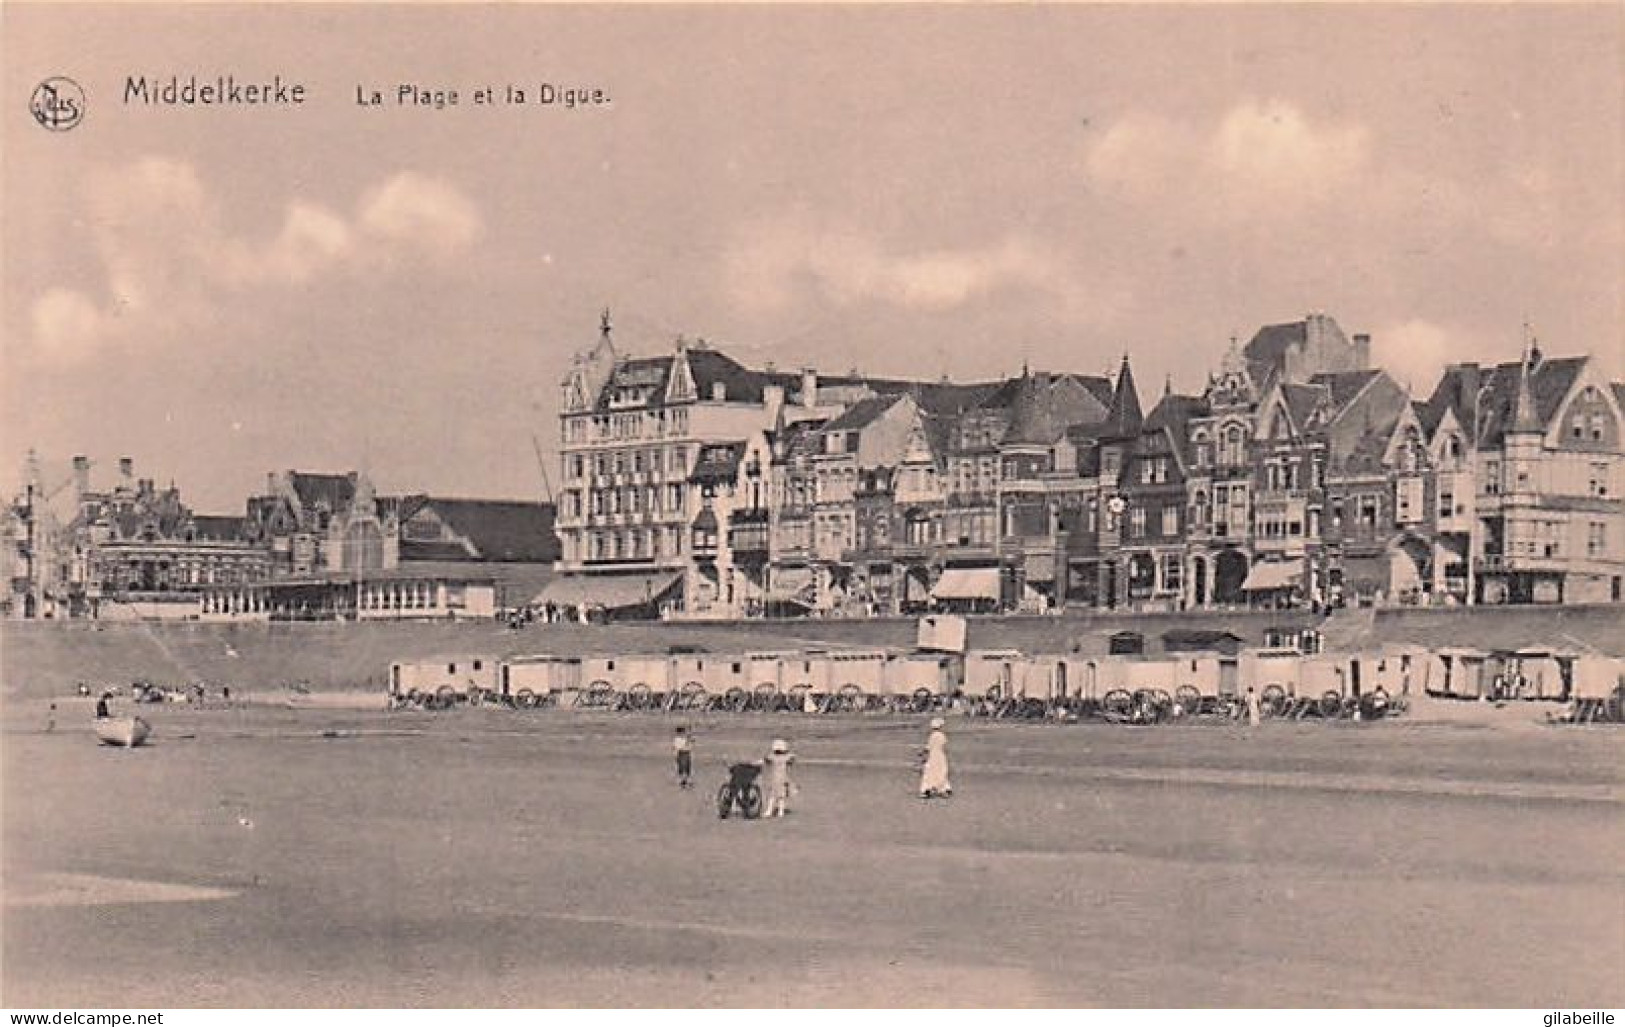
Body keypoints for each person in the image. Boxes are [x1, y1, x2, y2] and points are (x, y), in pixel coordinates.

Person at [761, 738, 796, 817]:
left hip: (776, 778)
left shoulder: (773, 757)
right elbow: (792, 759)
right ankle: (780, 811)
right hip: (783, 778)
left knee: (773, 796)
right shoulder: (786, 757)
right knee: (781, 796)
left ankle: (770, 811)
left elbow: (764, 760)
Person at [919, 717, 952, 799]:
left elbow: (928, 747)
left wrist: (922, 753)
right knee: (941, 771)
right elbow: (944, 746)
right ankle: (944, 788)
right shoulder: (942, 735)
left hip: (933, 756)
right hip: (940, 755)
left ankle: (927, 789)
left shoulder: (932, 736)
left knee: (929, 773)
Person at [673, 725, 694, 789]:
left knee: (688, 768)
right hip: (682, 753)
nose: (683, 733)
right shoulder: (677, 739)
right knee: (682, 768)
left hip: (687, 753)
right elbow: (678, 748)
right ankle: (683, 782)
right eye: (682, 732)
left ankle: (687, 781)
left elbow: (690, 744)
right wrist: (676, 756)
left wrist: (689, 739)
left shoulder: (684, 738)